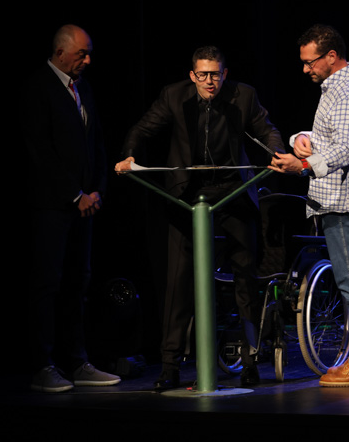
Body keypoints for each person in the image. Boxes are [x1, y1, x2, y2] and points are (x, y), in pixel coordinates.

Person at [115, 45, 284, 390]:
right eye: (203, 75)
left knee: (245, 276)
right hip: (188, 194)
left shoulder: (244, 95)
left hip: (233, 191)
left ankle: (250, 360)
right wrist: (129, 155)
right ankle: (170, 365)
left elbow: (266, 129)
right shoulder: (173, 96)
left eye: (216, 74)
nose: (210, 81)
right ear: (192, 75)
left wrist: (278, 152)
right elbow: (143, 129)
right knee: (178, 280)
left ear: (225, 74)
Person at [269, 24, 349, 387]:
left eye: (311, 62)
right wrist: (302, 138)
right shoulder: (336, 89)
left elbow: (343, 150)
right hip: (338, 198)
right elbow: (330, 138)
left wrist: (301, 165)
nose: (306, 69)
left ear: (331, 56)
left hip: (347, 201)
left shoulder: (348, 91)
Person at [23, 24, 121, 392]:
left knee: (79, 284)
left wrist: (96, 190)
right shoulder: (38, 87)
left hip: (85, 207)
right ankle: (42, 365)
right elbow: (39, 151)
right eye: (82, 54)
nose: (88, 60)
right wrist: (74, 194)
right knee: (47, 284)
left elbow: (96, 143)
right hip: (52, 206)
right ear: (61, 53)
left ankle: (78, 362)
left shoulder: (84, 88)